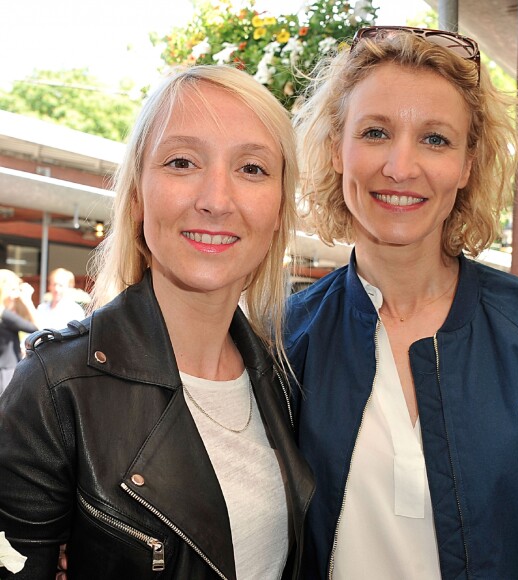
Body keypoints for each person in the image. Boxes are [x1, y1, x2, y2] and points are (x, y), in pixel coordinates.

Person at [285, 26, 518, 579]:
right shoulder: (279, 341)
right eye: (375, 132)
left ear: (468, 165)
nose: (401, 166)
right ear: (336, 150)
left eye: (435, 139)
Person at [0, 64, 314, 580]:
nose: (215, 200)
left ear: (279, 207)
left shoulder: (284, 376)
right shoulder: (55, 389)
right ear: (137, 194)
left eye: (252, 169)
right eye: (182, 161)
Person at [0, 270, 38, 396]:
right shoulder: (4, 315)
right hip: (7, 370)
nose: (16, 294)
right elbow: (37, 327)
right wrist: (27, 300)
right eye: (13, 289)